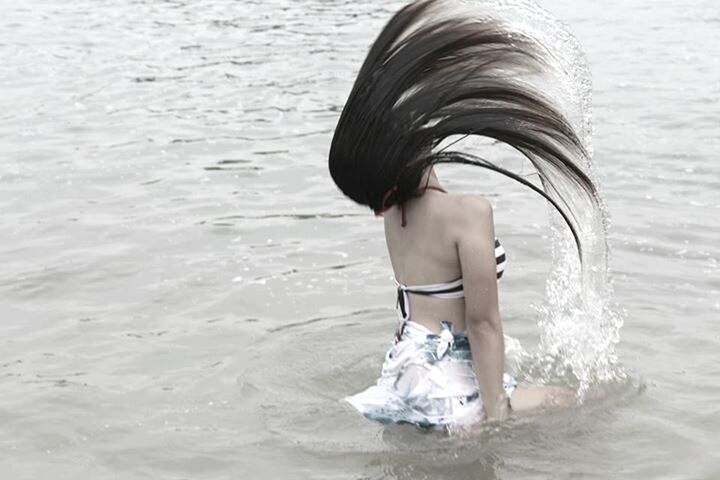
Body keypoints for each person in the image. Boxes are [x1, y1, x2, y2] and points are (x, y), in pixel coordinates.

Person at [328, 0, 600, 429]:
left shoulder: (393, 214)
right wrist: (496, 413)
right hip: (449, 378)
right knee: (576, 401)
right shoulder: (468, 212)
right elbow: (483, 321)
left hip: (403, 370)